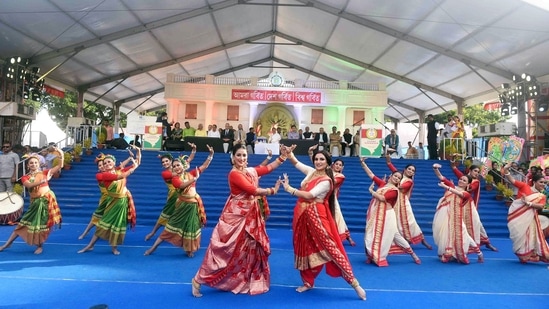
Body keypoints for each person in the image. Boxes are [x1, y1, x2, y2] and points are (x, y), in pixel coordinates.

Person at [191, 143, 287, 297]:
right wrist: (272, 191)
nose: (242, 158)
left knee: (248, 250)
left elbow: (267, 168)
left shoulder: (249, 171)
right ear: (233, 157)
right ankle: (198, 280)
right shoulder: (234, 174)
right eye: (239, 155)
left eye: (244, 155)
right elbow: (253, 190)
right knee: (225, 252)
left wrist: (282, 157)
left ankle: (244, 279)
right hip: (236, 218)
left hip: (251, 216)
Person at [280, 148, 365, 300]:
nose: (318, 162)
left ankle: (354, 283)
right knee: (304, 247)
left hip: (317, 216)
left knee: (331, 248)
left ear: (328, 163)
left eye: (322, 160)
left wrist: (289, 189)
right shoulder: (312, 172)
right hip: (302, 215)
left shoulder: (326, 180)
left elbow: (309, 195)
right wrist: (288, 153)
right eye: (316, 159)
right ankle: (308, 282)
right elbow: (296, 163)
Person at [145, 145, 214, 257]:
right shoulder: (175, 178)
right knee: (170, 227)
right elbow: (181, 185)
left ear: (183, 166)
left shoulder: (190, 173)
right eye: (174, 166)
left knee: (191, 227)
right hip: (182, 206)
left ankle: (189, 249)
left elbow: (204, 166)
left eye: (178, 165)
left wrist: (210, 155)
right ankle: (152, 249)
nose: (176, 167)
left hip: (193, 206)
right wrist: (194, 179)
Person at [360, 158, 421, 266]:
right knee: (370, 232)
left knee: (395, 235)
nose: (397, 178)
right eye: (395, 176)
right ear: (390, 176)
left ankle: (412, 254)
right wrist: (363, 163)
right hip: (376, 213)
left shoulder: (395, 190)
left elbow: (383, 198)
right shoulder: (383, 184)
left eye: (399, 178)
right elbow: (371, 175)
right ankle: (371, 255)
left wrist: (371, 192)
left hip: (387, 215)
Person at [0, 150, 63, 254]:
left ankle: (39, 246)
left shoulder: (44, 173)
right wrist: (42, 181)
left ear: (39, 164)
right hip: (35, 204)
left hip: (45, 203)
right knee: (22, 224)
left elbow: (59, 167)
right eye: (31, 163)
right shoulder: (25, 177)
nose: (33, 164)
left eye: (35, 163)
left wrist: (61, 155)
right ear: (28, 166)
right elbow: (29, 185)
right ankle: (7, 244)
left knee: (40, 225)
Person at [78, 153, 139, 255]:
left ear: (114, 163)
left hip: (122, 202)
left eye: (108, 162)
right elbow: (122, 175)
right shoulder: (104, 175)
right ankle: (90, 245)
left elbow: (136, 163)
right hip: (112, 202)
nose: (106, 164)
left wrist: (138, 153)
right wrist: (133, 168)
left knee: (118, 225)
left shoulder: (117, 170)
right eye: (104, 163)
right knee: (102, 224)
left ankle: (114, 248)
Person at [432, 163, 484, 264]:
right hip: (447, 216)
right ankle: (449, 253)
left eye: (464, 180)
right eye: (460, 179)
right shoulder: (452, 186)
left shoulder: (466, 194)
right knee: (446, 234)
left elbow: (459, 194)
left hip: (458, 218)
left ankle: (479, 253)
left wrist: (447, 188)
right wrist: (435, 168)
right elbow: (440, 176)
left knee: (465, 236)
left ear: (468, 184)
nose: (461, 181)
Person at [145, 144, 196, 241]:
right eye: (163, 162)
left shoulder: (177, 166)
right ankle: (152, 233)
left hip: (184, 194)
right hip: (174, 197)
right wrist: (184, 167)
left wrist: (193, 150)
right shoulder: (165, 173)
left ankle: (182, 238)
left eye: (166, 161)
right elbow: (178, 172)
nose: (165, 163)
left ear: (171, 161)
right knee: (164, 215)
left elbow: (189, 160)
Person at [502, 163, 549, 263]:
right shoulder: (524, 186)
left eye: (545, 183)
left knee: (532, 237)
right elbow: (511, 180)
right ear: (534, 182)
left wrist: (529, 203)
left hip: (531, 219)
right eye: (541, 182)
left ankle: (537, 255)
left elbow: (541, 206)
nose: (543, 185)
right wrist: (506, 170)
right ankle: (524, 255)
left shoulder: (541, 195)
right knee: (519, 237)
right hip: (517, 217)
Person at [385, 155, 432, 249]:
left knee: (410, 222)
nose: (410, 171)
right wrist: (389, 161)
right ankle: (399, 241)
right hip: (395, 201)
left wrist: (390, 181)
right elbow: (392, 168)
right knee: (395, 222)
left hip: (403, 204)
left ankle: (422, 240)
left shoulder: (409, 181)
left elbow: (399, 187)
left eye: (412, 170)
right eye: (409, 169)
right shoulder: (399, 176)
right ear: (405, 169)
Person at [451, 161, 498, 251]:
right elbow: (459, 175)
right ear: (470, 171)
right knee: (461, 224)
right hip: (460, 203)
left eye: (478, 172)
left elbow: (471, 188)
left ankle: (486, 242)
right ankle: (462, 243)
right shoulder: (465, 178)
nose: (477, 173)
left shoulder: (476, 182)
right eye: (475, 171)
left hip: (469, 204)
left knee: (477, 224)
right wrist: (454, 167)